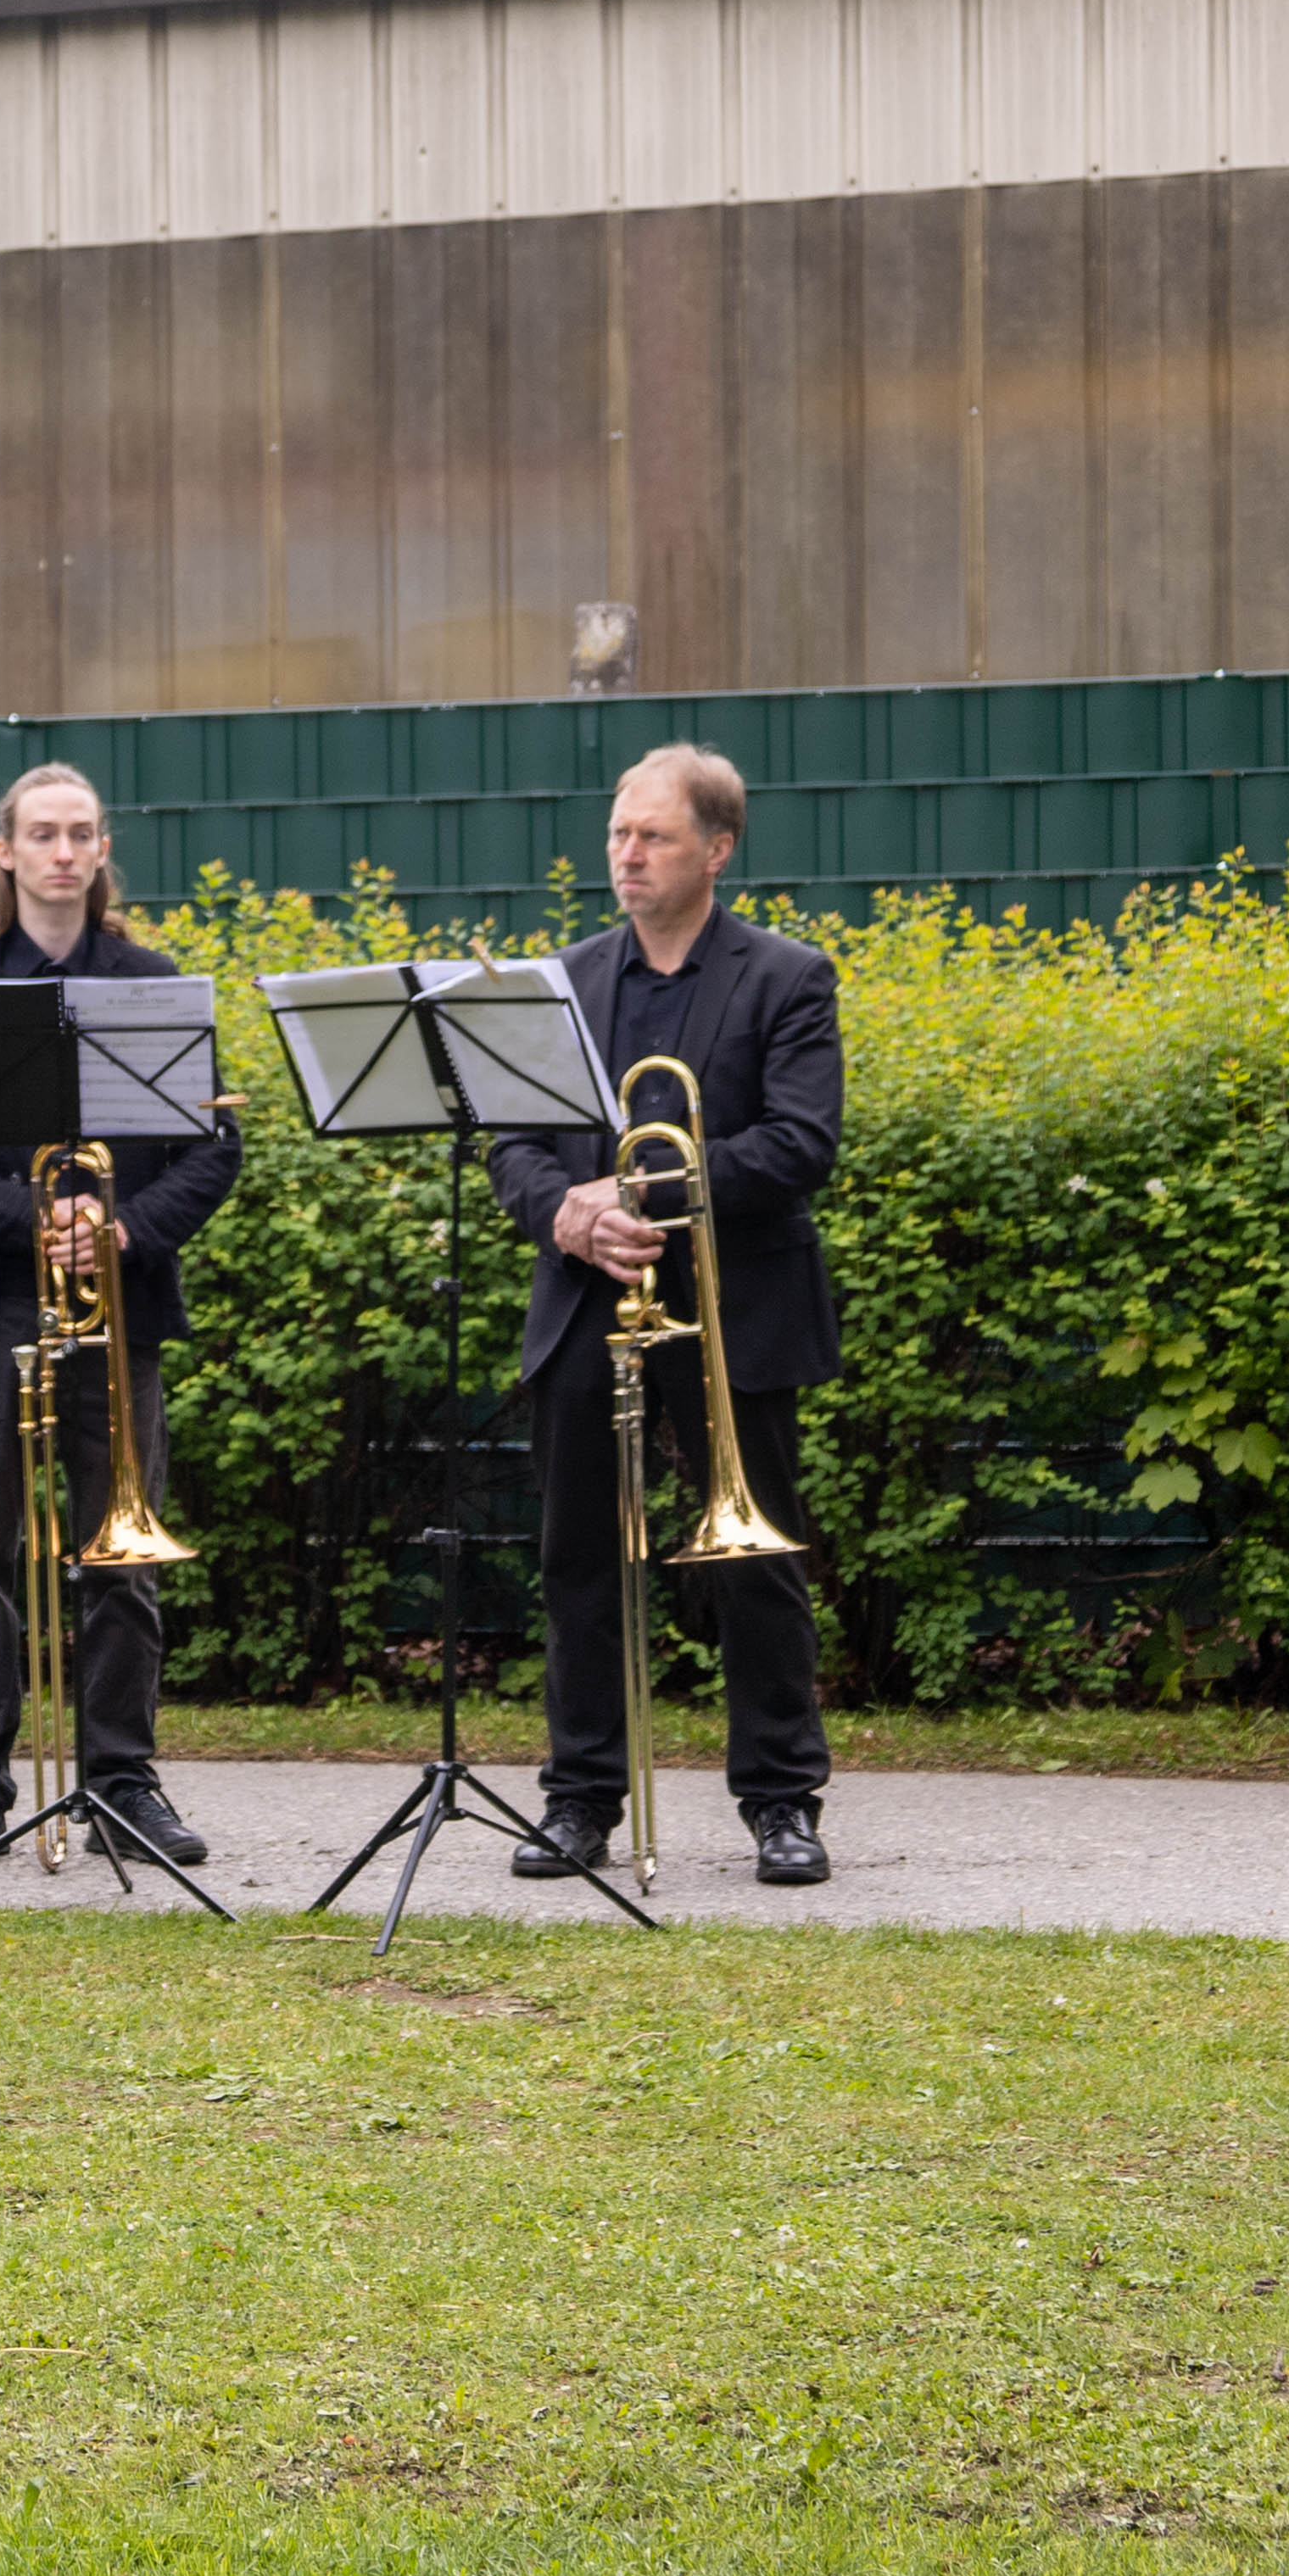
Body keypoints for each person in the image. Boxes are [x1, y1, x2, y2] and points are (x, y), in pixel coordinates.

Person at [0, 761, 243, 1875]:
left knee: (120, 1557)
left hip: (118, 1306)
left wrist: (120, 1230)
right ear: (7, 852)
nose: (64, 851)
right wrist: (32, 1219)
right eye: (43, 834)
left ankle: (122, 1783)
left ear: (102, 848)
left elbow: (214, 1149)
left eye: (82, 832)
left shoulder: (152, 983)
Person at [490, 743, 842, 1888]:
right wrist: (566, 1215)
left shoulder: (788, 976)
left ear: (718, 848)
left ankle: (782, 1802)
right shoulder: (564, 979)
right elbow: (515, 1146)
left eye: (654, 835)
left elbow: (800, 1143)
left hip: (738, 1306)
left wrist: (631, 1193)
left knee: (756, 1559)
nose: (628, 854)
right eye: (619, 833)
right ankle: (580, 1799)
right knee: (579, 1559)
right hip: (590, 1300)